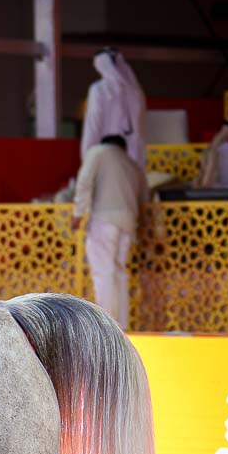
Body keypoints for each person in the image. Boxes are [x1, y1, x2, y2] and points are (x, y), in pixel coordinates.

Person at [73, 133, 147, 331]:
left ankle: (107, 326)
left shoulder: (98, 152)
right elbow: (144, 197)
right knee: (120, 272)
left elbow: (84, 181)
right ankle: (122, 325)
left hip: (103, 219)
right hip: (128, 223)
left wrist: (78, 212)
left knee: (103, 271)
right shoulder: (132, 164)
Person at [80, 48, 146, 165]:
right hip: (134, 159)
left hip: (109, 157)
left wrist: (88, 160)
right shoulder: (136, 92)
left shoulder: (98, 90)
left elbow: (93, 128)